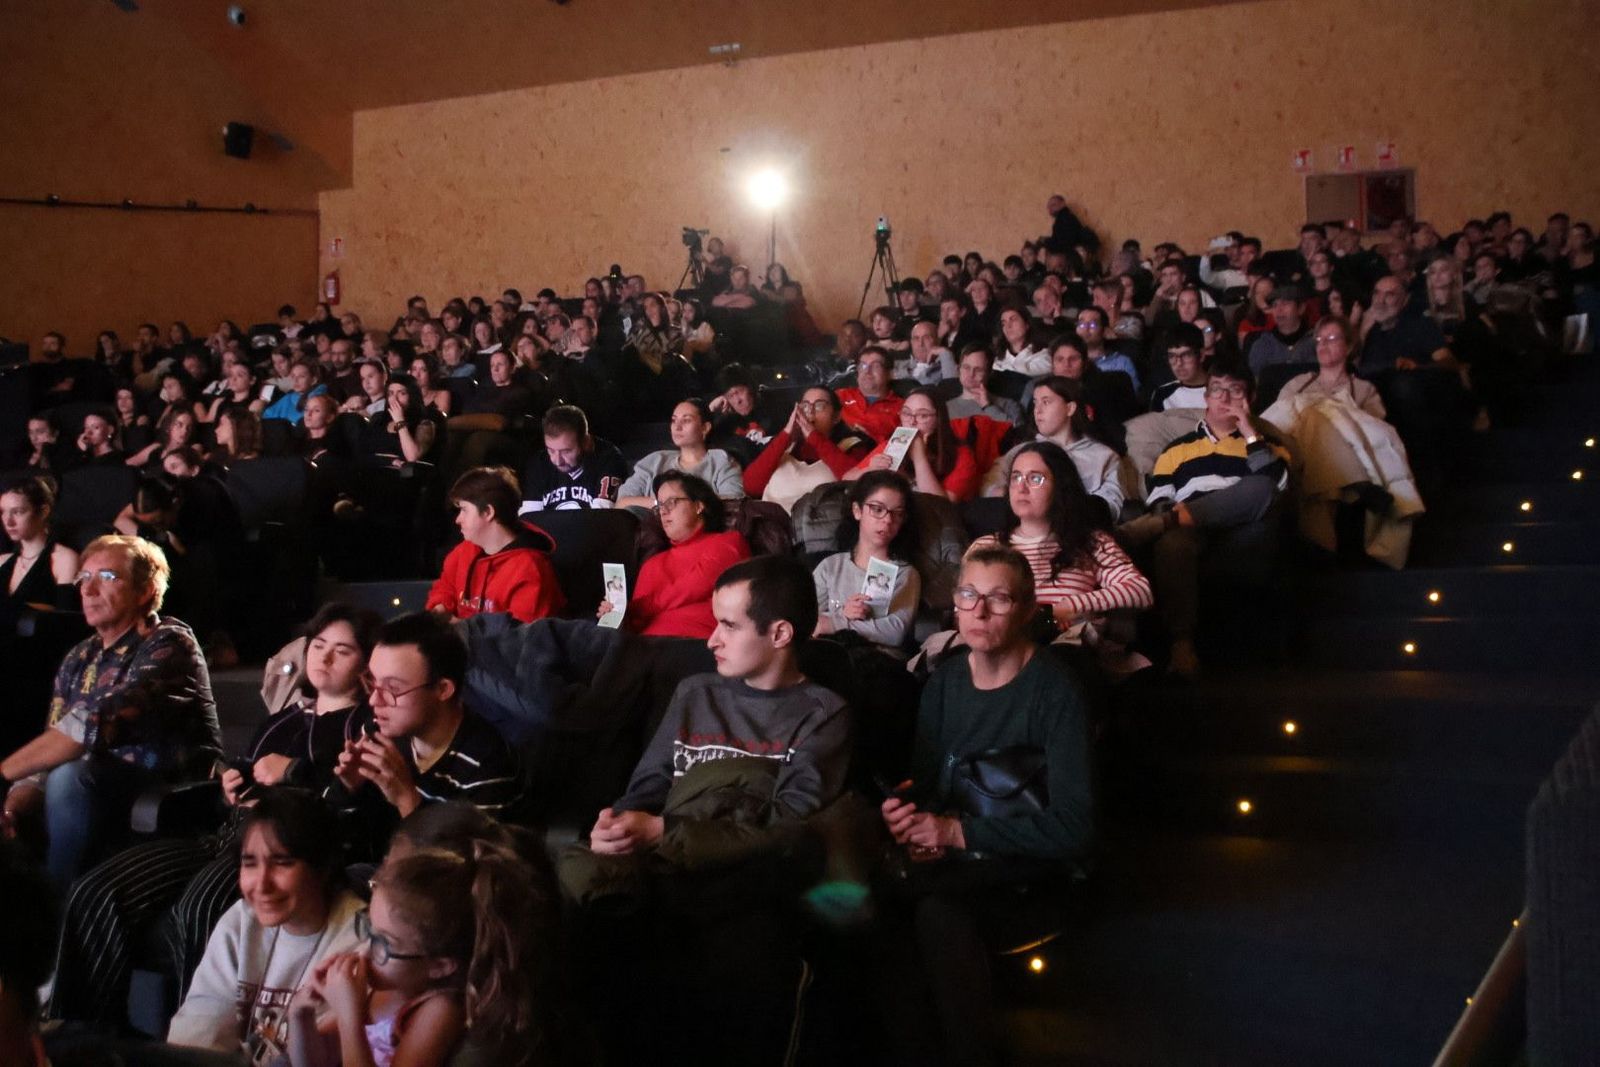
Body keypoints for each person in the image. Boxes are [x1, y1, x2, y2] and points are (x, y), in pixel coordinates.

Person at [48, 604, 380, 1030]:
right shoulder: (283, 719)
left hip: (281, 847)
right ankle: (81, 1033)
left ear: (365, 662)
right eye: (318, 646)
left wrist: (295, 773)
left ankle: (197, 1042)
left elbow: (354, 805)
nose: (325, 658)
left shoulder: (365, 726)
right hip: (225, 835)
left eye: (342, 651)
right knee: (96, 888)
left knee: (202, 904)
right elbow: (237, 774)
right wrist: (228, 789)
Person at [878, 546, 1094, 1067]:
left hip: (1027, 869)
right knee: (875, 908)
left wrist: (955, 835)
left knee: (933, 913)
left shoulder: (1055, 691)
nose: (979, 611)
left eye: (998, 599)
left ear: (1025, 608)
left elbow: (1075, 828)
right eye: (969, 595)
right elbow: (929, 787)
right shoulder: (944, 681)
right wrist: (907, 817)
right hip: (958, 863)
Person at [584, 554, 851, 851]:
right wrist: (615, 830)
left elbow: (789, 821)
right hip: (662, 859)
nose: (712, 641)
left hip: (746, 867)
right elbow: (645, 792)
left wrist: (665, 831)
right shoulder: (695, 693)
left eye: (730, 626)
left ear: (779, 634)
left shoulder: (822, 714)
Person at [0, 535, 220, 886]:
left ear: (146, 590)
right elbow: (52, 742)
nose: (87, 591)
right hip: (89, 786)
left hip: (168, 789)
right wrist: (15, 800)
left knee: (72, 775)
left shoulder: (168, 641)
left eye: (106, 577)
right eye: (83, 578)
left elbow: (94, 725)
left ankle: (62, 909)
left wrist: (3, 772)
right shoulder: (78, 657)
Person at [286, 839, 543, 1067]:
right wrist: (300, 1013)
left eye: (385, 943)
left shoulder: (441, 1009)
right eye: (369, 929)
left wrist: (348, 1017)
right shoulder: (381, 986)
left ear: (440, 966)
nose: (364, 952)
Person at [167, 788, 364, 1062]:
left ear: (324, 866)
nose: (261, 885)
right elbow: (196, 1040)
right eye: (250, 864)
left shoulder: (359, 938)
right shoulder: (240, 921)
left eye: (282, 863)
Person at [1120, 362, 1289, 676]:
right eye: (1216, 390)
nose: (1224, 396)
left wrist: (1251, 433)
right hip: (1188, 525)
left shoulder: (1265, 446)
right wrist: (1173, 514)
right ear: (1206, 398)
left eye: (1234, 390)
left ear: (1248, 399)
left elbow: (1275, 487)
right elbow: (1160, 497)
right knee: (1171, 541)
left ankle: (1165, 524)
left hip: (1244, 524)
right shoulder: (1177, 449)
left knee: (1261, 485)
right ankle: (1181, 644)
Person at [326, 612, 526, 839]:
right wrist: (347, 788)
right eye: (372, 681)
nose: (374, 700)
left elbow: (469, 869)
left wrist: (407, 799)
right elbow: (333, 837)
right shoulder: (378, 731)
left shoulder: (488, 764)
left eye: (392, 688)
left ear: (443, 689)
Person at [969, 443, 1150, 653]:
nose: (1021, 487)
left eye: (1035, 479)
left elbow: (1140, 590)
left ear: (1059, 487)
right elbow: (963, 609)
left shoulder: (1091, 542)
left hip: (1062, 648)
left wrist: (1068, 607)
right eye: (1016, 477)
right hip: (998, 646)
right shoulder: (986, 546)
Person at [599, 471, 750, 638]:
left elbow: (694, 585)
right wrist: (617, 614)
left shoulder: (728, 542)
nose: (663, 511)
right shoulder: (652, 564)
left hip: (697, 643)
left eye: (671, 502)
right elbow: (636, 624)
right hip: (645, 649)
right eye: (659, 505)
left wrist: (636, 608)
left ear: (698, 506)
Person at [426, 467, 564, 624]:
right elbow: (445, 586)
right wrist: (440, 608)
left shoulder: (530, 570)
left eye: (464, 510)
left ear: (488, 513)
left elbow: (522, 639)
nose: (458, 519)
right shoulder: (465, 550)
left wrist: (460, 628)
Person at [984, 376, 1123, 523]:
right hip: (1021, 528)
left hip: (1077, 529)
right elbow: (989, 484)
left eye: (1046, 402)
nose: (1037, 411)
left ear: (1070, 408)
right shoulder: (1021, 452)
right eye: (1035, 403)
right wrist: (1002, 493)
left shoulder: (1104, 456)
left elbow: (1111, 507)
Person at [812, 471, 921, 651]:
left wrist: (836, 623)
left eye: (897, 513)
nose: (887, 520)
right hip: (830, 656)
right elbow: (805, 619)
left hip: (879, 664)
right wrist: (843, 614)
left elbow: (895, 631)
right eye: (877, 509)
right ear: (857, 511)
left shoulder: (905, 573)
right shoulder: (831, 566)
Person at [741, 386, 875, 510]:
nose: (810, 412)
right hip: (770, 528)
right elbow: (751, 487)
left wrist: (813, 436)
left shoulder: (852, 445)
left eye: (819, 406)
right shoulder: (784, 446)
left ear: (836, 416)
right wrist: (786, 434)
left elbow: (857, 483)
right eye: (805, 406)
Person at [847, 387, 980, 503]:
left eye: (922, 415)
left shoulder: (962, 454)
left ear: (938, 419)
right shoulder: (893, 443)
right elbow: (846, 479)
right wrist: (870, 470)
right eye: (906, 413)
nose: (912, 421)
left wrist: (919, 457)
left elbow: (940, 506)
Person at [615, 399, 745, 509]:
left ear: (705, 428)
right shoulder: (654, 461)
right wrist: (661, 504)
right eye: (673, 420)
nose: (677, 427)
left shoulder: (721, 460)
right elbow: (622, 502)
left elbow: (733, 501)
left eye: (686, 420)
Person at [519, 404, 629, 511]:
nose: (557, 461)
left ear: (586, 441)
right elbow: (529, 517)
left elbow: (600, 519)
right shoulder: (539, 462)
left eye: (566, 451)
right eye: (551, 450)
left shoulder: (609, 459)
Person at [0, 477, 79, 607]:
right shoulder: (2, 561)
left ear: (44, 512)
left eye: (18, 512)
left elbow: (65, 618)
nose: (8, 522)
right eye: (3, 512)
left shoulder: (64, 560)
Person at [1244, 283, 1317, 377]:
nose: (1279, 310)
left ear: (1301, 308)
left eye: (1285, 304)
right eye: (1274, 305)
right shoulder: (1262, 344)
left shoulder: (1317, 340)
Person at [835, 346, 905, 442]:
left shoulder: (902, 408)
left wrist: (870, 438)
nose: (867, 371)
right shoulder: (839, 396)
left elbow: (901, 444)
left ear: (889, 374)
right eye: (863, 366)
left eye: (875, 366)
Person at [946, 343, 1022, 423]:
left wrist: (988, 406)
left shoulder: (1008, 405)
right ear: (959, 369)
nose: (971, 374)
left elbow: (1016, 432)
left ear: (989, 373)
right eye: (966, 367)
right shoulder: (945, 408)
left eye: (978, 370)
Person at [1148, 323, 1211, 411]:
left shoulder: (1221, 391)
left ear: (1201, 355)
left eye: (1186, 355)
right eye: (1172, 356)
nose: (1179, 363)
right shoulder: (1162, 394)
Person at [263, 359, 329, 426]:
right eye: (293, 376)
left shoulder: (321, 401)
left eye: (301, 376)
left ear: (313, 380)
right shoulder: (288, 397)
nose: (296, 380)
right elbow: (267, 416)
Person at [894, 320, 957, 386]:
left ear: (937, 341)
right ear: (911, 342)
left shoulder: (944, 368)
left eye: (926, 338)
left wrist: (944, 352)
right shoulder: (898, 366)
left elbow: (952, 387)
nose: (920, 343)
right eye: (916, 338)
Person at [993, 308, 1049, 376]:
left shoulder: (1044, 355)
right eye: (1003, 323)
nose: (1008, 326)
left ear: (1027, 324)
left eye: (1013, 320)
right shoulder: (998, 359)